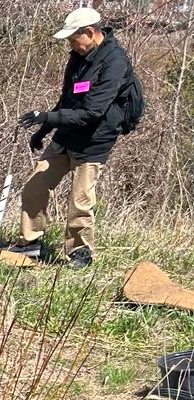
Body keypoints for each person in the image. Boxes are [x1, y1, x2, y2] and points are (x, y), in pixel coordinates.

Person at [9, 7, 140, 268]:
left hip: (94, 140)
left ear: (89, 33)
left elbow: (92, 112)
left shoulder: (115, 62)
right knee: (36, 185)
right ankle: (31, 243)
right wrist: (43, 130)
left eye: (73, 39)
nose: (71, 44)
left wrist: (45, 117)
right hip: (67, 134)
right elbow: (67, 100)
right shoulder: (78, 57)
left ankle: (80, 252)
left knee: (80, 201)